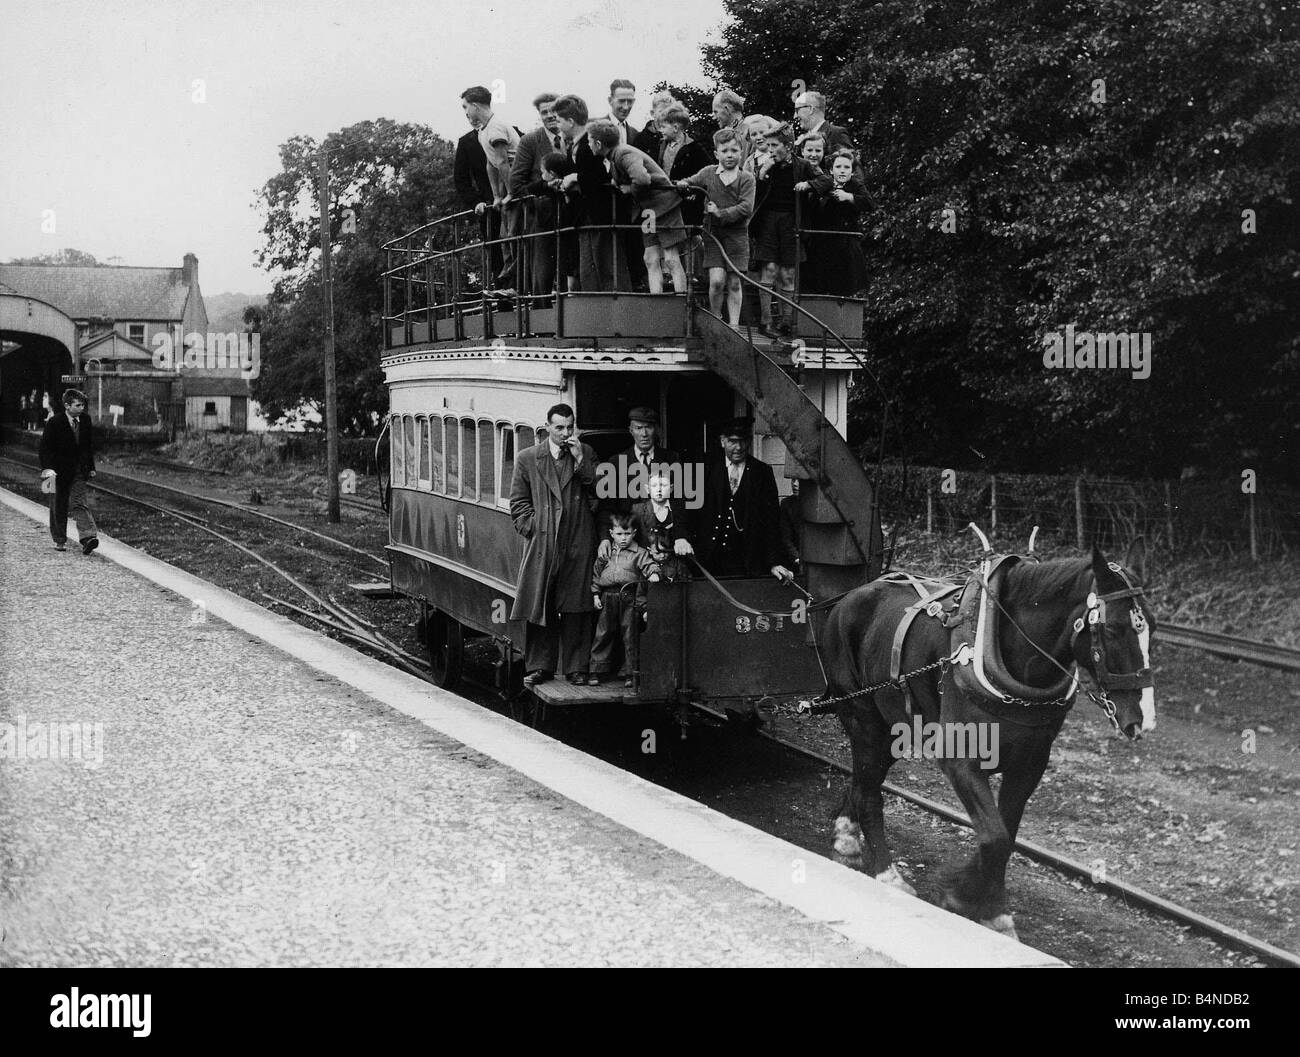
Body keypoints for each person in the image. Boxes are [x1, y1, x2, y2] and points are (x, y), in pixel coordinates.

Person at [509, 403, 598, 686]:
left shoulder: (586, 454)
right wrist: (534, 527)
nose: (565, 433)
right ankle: (539, 666)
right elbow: (518, 503)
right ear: (547, 427)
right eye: (559, 427)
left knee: (577, 606)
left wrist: (581, 458)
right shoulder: (528, 458)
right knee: (540, 603)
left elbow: (599, 493)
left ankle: (576, 668)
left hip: (577, 539)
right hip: (544, 542)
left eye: (570, 427)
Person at [689, 416, 794, 582]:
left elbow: (771, 522)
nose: (738, 447)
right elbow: (690, 513)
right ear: (722, 441)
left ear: (750, 441)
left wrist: (774, 562)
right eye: (732, 441)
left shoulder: (762, 472)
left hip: (747, 562)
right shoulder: (705, 469)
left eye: (743, 441)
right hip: (709, 560)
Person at [588, 122, 687, 294]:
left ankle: (682, 303)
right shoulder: (615, 156)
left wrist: (629, 189)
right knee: (650, 257)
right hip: (648, 211)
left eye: (590, 141)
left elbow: (642, 179)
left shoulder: (623, 153)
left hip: (664, 207)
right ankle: (657, 303)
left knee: (671, 258)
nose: (588, 145)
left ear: (598, 144)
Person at [677, 127, 755, 327]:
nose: (730, 155)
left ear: (741, 152)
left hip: (737, 236)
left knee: (735, 282)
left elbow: (746, 207)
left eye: (734, 151)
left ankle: (734, 325)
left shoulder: (746, 178)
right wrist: (683, 184)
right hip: (713, 235)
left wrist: (721, 213)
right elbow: (691, 181)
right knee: (717, 281)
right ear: (716, 154)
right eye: (725, 151)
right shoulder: (709, 173)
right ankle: (717, 319)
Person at [750, 124, 820, 337]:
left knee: (788, 273)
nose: (770, 149)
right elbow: (754, 191)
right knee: (769, 269)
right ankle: (765, 321)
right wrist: (762, 171)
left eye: (774, 145)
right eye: (768, 145)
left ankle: (786, 321)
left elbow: (824, 180)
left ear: (788, 146)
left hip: (792, 223)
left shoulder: (802, 165)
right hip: (768, 222)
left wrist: (808, 185)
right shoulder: (764, 166)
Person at [553, 95, 627, 291]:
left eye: (559, 121)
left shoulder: (590, 143)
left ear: (570, 121)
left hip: (599, 216)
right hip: (585, 217)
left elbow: (600, 176)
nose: (557, 126)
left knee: (606, 266)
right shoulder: (575, 145)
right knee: (590, 267)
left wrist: (576, 178)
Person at [589, 513, 661, 687]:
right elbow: (597, 574)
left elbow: (650, 565)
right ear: (611, 534)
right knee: (603, 633)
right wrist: (595, 594)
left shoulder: (640, 553)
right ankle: (596, 671)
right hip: (608, 597)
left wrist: (653, 573)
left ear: (634, 533)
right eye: (619, 534)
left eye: (627, 534)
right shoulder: (606, 553)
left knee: (630, 634)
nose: (623, 538)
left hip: (629, 597)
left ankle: (630, 673)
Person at [509, 92, 565, 296]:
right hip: (541, 215)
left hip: (570, 213)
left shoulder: (572, 136)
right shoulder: (530, 141)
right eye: (544, 112)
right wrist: (545, 187)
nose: (550, 115)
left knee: (571, 270)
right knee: (542, 272)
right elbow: (515, 183)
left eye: (554, 110)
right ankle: (542, 321)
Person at [39, 388, 99, 554]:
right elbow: (45, 448)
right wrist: (48, 469)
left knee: (80, 502)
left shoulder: (85, 420)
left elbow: (87, 446)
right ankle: (59, 540)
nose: (82, 408)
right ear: (67, 406)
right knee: (58, 504)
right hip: (57, 472)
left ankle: (88, 538)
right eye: (78, 405)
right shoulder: (55, 422)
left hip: (79, 470)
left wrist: (91, 467)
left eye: (83, 405)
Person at [805, 148, 869, 297]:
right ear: (831, 170)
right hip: (822, 243)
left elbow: (869, 203)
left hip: (846, 244)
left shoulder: (856, 186)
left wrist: (848, 197)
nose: (842, 171)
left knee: (846, 287)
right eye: (838, 167)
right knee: (819, 286)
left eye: (846, 167)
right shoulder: (824, 185)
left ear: (852, 172)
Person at [455, 87, 500, 284]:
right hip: (489, 209)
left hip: (515, 202)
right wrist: (476, 202)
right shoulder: (466, 143)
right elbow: (461, 180)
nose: (465, 112)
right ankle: (505, 302)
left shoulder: (509, 130)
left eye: (466, 107)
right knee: (497, 254)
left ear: (475, 106)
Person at [631, 473, 693, 581]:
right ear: (647, 489)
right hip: (646, 569)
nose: (659, 490)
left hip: (675, 569)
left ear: (671, 488)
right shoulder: (638, 510)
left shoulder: (679, 510)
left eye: (664, 485)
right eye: (654, 486)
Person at [541, 151, 579, 291]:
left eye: (543, 172)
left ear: (551, 173)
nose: (541, 176)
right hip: (564, 236)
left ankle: (571, 295)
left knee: (570, 267)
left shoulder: (568, 192)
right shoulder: (553, 189)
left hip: (568, 235)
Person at [796, 133, 828, 293]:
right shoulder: (797, 169)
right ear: (802, 150)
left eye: (818, 150)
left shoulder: (827, 172)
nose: (814, 154)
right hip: (800, 229)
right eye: (809, 150)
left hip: (821, 232)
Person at [792, 90, 853, 155]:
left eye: (797, 110)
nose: (795, 116)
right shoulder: (803, 139)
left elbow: (850, 162)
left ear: (810, 109)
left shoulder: (836, 134)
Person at [631, 90, 679, 158]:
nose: (665, 115)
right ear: (652, 113)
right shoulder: (641, 139)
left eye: (669, 112)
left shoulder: (677, 137)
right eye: (661, 111)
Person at [712, 89, 754, 162]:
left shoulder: (751, 129)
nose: (714, 117)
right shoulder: (725, 135)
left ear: (727, 109)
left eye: (716, 112)